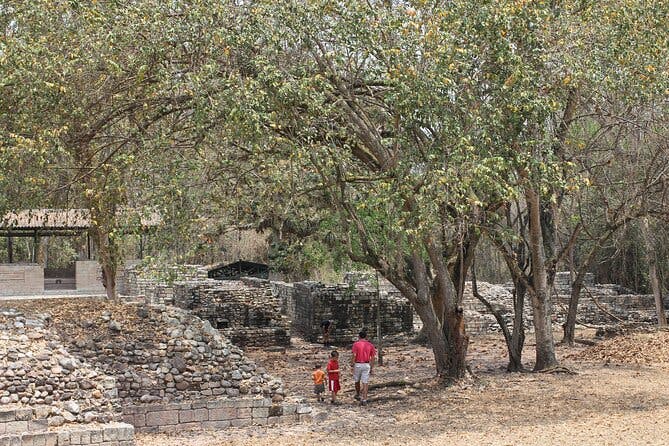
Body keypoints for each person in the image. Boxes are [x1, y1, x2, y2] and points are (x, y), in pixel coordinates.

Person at [351, 329, 376, 406]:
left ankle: (358, 394)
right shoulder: (370, 345)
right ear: (366, 337)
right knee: (365, 382)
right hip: (366, 364)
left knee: (357, 380)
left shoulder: (356, 344)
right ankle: (365, 399)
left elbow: (354, 355)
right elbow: (373, 357)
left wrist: (352, 363)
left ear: (359, 336)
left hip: (358, 364)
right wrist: (371, 367)